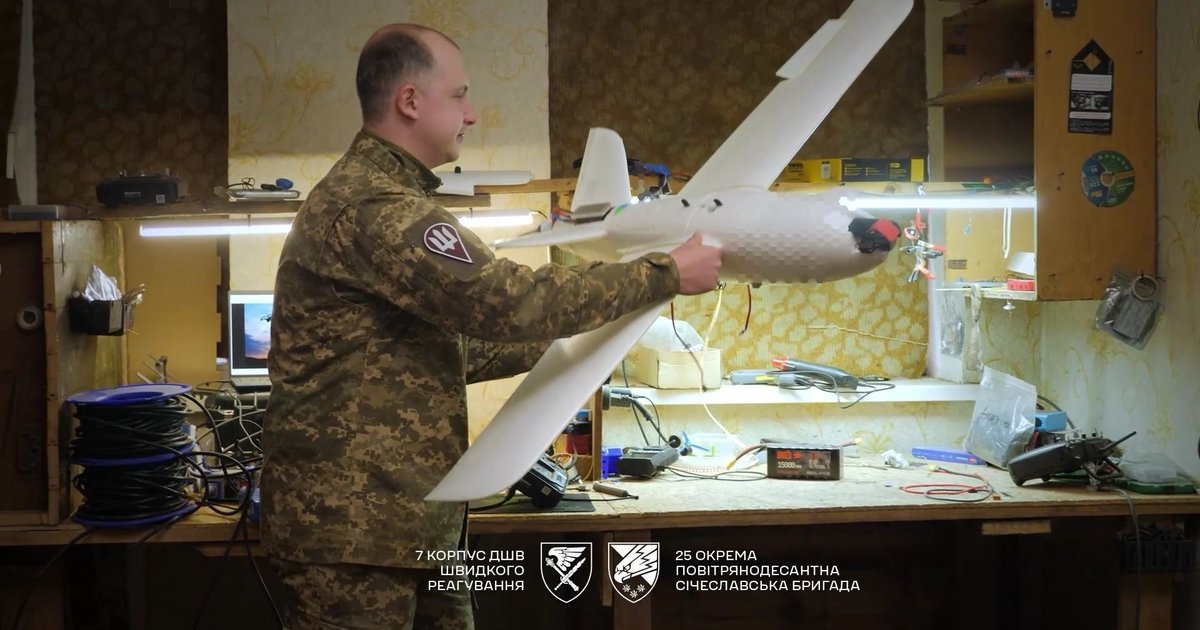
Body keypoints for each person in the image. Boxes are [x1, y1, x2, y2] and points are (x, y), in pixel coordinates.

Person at [261, 23, 722, 629]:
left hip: (406, 524)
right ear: (409, 101)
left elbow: (456, 349)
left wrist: (596, 331)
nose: (472, 114)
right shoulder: (374, 207)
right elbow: (507, 301)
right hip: (352, 534)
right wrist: (663, 274)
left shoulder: (391, 199)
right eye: (459, 95)